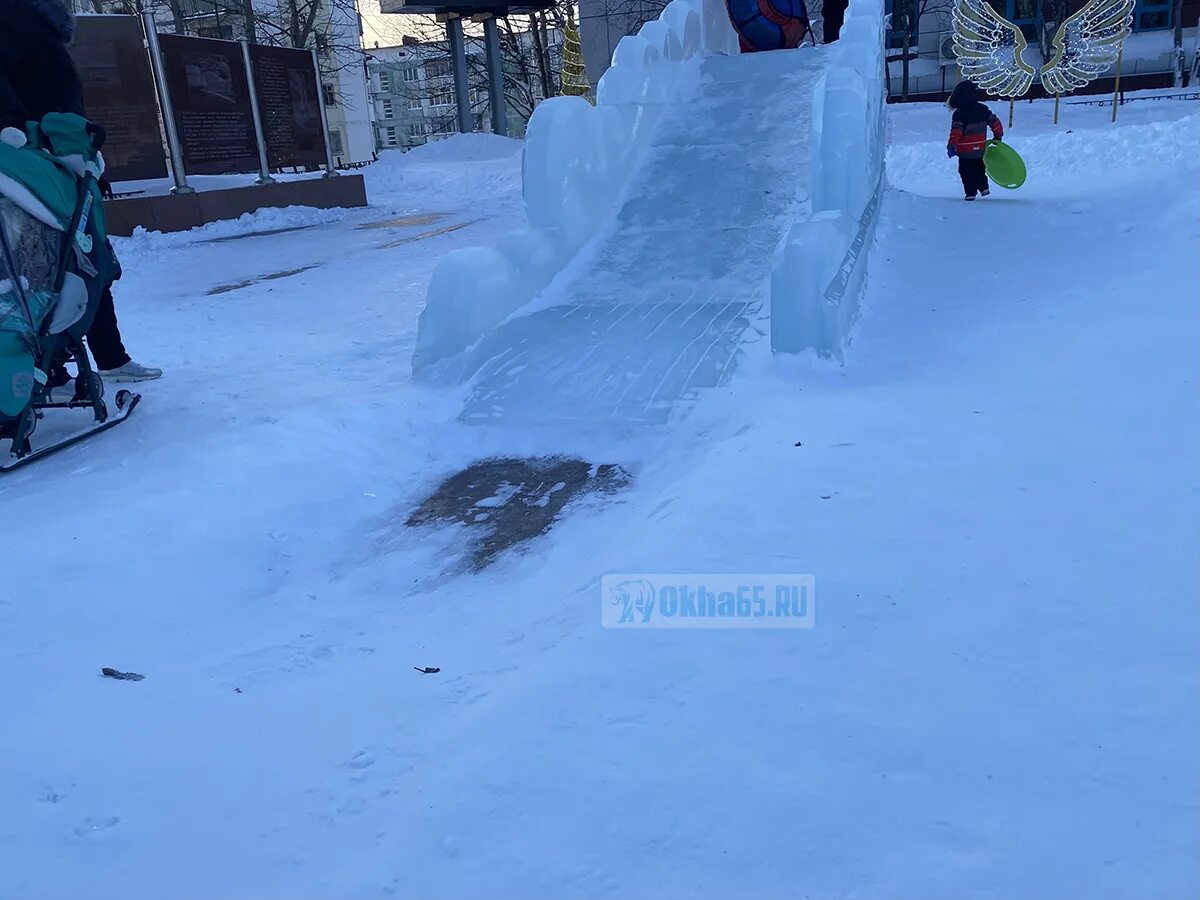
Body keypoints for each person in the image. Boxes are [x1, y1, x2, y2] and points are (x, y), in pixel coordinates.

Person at [0, 0, 161, 382]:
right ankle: (52, 368)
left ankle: (100, 359)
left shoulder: (36, 22)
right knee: (61, 262)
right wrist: (10, 128)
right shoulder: (14, 14)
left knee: (84, 255)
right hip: (38, 163)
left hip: (63, 160)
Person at [946, 79, 1004, 202]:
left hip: (965, 150)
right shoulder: (983, 109)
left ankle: (970, 192)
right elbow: (995, 122)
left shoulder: (959, 113)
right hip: (980, 148)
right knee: (979, 167)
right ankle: (983, 187)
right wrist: (998, 136)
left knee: (965, 171)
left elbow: (956, 132)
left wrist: (952, 146)